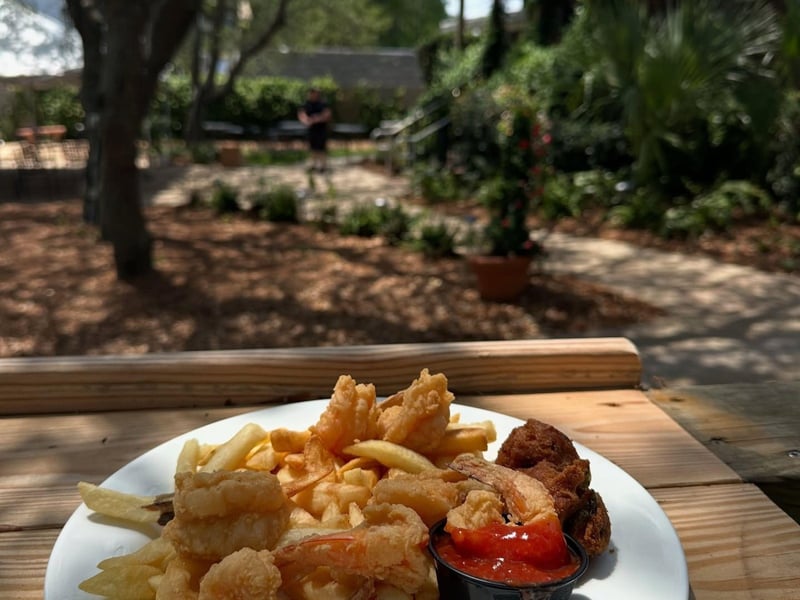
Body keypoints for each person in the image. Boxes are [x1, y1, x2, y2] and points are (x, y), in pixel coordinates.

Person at [297, 87, 332, 173]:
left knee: (321, 148)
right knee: (312, 148)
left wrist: (317, 119)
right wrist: (306, 120)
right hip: (311, 129)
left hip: (321, 129)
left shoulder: (323, 103)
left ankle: (323, 166)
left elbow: (327, 114)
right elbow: (302, 114)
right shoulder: (306, 104)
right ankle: (313, 165)